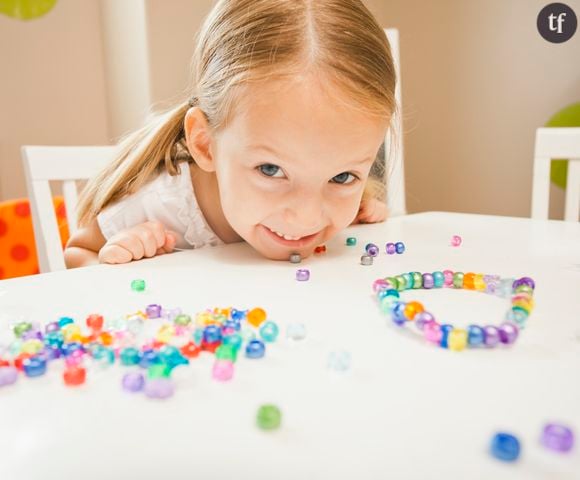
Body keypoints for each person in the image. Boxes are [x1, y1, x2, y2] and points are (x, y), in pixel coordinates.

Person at [65, 0, 397, 268]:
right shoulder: (158, 205)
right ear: (205, 145)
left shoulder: (316, 194)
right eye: (270, 170)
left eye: (341, 177)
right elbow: (77, 251)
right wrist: (115, 261)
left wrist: (361, 206)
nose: (306, 217)